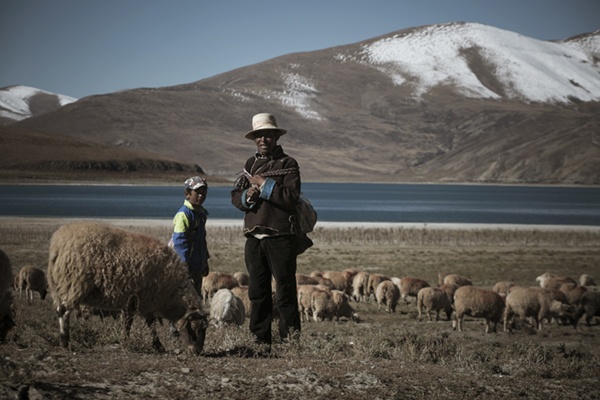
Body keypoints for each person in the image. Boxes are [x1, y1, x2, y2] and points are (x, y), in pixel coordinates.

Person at [231, 113, 302, 350]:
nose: (264, 139)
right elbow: (235, 198)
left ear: (275, 137)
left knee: (285, 291)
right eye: (259, 135)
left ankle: (289, 341)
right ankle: (260, 341)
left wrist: (264, 184)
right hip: (254, 237)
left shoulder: (288, 164)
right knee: (257, 292)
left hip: (280, 236)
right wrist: (247, 197)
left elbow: (291, 198)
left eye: (268, 135)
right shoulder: (248, 166)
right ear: (255, 139)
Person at [171, 176, 210, 298]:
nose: (201, 196)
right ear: (187, 194)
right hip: (186, 265)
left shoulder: (200, 214)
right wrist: (184, 265)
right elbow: (179, 241)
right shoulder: (184, 215)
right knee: (186, 297)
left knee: (196, 295)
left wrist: (204, 260)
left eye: (204, 193)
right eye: (197, 193)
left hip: (197, 264)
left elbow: (201, 241)